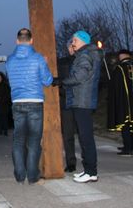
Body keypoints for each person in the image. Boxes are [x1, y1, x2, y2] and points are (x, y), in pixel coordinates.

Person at [5, 28, 53, 184]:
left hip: (17, 103)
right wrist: (46, 64)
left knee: (18, 140)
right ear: (31, 40)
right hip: (35, 102)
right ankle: (32, 176)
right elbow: (47, 81)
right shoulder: (38, 59)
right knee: (33, 141)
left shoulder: (10, 60)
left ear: (17, 41)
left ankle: (19, 176)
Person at [54, 30, 101, 183]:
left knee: (86, 137)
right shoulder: (85, 54)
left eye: (74, 40)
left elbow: (80, 76)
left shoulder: (85, 55)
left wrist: (61, 81)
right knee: (83, 136)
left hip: (82, 100)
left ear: (82, 40)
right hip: (82, 99)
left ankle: (91, 171)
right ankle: (88, 170)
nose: (72, 43)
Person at [107, 49, 133, 156]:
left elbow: (115, 87)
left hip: (124, 101)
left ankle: (128, 148)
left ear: (122, 56)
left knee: (125, 124)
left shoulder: (120, 68)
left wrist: (111, 85)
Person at [59, 40, 77, 172]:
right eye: (71, 46)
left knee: (78, 134)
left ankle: (86, 162)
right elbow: (58, 81)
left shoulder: (85, 61)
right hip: (68, 102)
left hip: (78, 102)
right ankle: (71, 162)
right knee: (68, 135)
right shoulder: (62, 63)